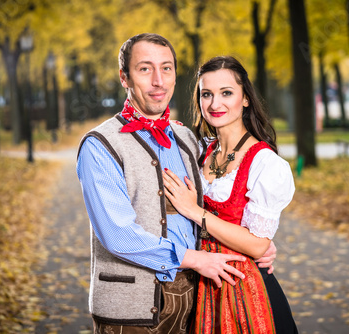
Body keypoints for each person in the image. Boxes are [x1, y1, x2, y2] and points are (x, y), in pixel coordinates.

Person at [76, 33, 276, 334]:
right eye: (145, 69)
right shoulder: (100, 145)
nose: (158, 80)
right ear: (124, 78)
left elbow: (216, 204)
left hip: (196, 303)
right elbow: (118, 235)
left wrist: (257, 243)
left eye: (166, 68)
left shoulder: (187, 139)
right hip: (130, 312)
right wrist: (196, 259)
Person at [162, 56, 299, 333]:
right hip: (197, 284)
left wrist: (195, 212)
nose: (215, 104)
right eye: (206, 94)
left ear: (245, 98)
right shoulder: (198, 150)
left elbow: (258, 246)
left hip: (243, 289)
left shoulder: (265, 163)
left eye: (226, 93)